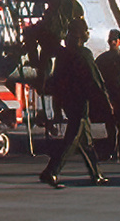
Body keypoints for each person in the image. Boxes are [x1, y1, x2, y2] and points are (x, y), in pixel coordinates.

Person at [39, 21, 109, 189]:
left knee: (86, 140)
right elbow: (95, 79)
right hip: (79, 101)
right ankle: (52, 171)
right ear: (80, 35)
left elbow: (56, 80)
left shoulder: (62, 55)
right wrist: (106, 101)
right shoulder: (83, 54)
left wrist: (57, 107)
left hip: (67, 101)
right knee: (72, 138)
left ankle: (96, 174)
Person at [95, 29, 120, 161]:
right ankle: (112, 150)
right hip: (108, 93)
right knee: (110, 122)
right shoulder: (103, 59)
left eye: (114, 39)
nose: (112, 42)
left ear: (119, 42)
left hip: (119, 92)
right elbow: (96, 75)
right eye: (110, 39)